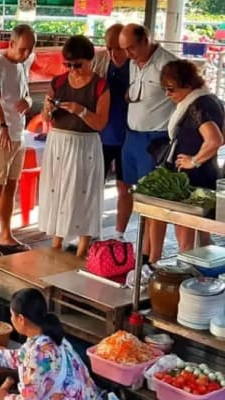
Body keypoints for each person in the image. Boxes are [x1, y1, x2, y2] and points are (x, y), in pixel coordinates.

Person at [0, 289, 101, 400]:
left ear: (21, 319)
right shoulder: (50, 337)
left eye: (11, 315)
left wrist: (4, 397)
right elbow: (19, 357)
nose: (11, 319)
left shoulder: (37, 355)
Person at [40, 36, 110, 258]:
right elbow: (45, 116)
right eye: (68, 65)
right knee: (57, 189)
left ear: (90, 60)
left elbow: (100, 123)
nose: (73, 70)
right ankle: (56, 241)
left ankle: (83, 246)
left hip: (84, 143)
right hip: (58, 141)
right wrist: (48, 110)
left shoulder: (100, 85)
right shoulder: (58, 82)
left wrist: (80, 110)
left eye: (77, 65)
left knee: (82, 192)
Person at [119, 23, 177, 264]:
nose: (128, 53)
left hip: (156, 139)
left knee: (154, 199)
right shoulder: (133, 63)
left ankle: (153, 257)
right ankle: (144, 250)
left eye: (131, 48)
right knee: (138, 196)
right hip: (132, 136)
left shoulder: (168, 64)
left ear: (146, 40)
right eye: (125, 49)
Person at [154, 60, 224, 251]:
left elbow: (215, 139)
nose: (168, 94)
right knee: (201, 235)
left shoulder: (198, 105)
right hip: (204, 173)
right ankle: (200, 275)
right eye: (164, 89)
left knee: (187, 238)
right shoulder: (208, 100)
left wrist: (193, 160)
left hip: (194, 178)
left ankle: (188, 277)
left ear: (188, 84)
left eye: (171, 88)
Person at [0, 24, 35, 258]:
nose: (26, 54)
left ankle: (5, 234)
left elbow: (26, 95)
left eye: (30, 50)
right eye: (22, 49)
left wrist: (29, 103)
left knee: (10, 187)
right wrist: (2, 126)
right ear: (11, 44)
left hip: (17, 133)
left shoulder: (21, 66)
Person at [92, 24, 130, 241]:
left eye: (118, 48)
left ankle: (119, 234)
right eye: (109, 48)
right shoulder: (101, 62)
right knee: (94, 185)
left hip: (128, 137)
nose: (114, 53)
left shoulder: (137, 67)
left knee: (124, 187)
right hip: (101, 135)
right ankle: (90, 231)